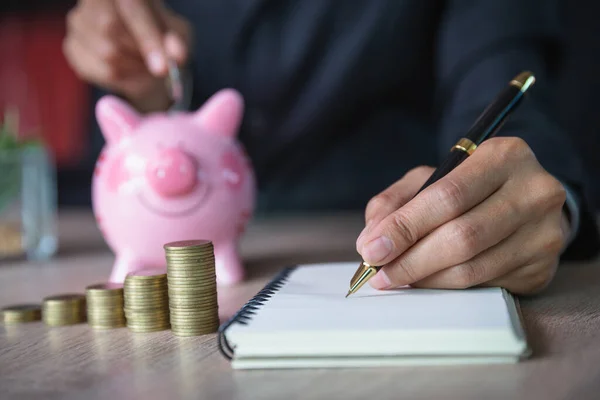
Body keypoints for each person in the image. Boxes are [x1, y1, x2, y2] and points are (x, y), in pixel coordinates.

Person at [62, 0, 600, 295]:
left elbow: (505, 91)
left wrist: (536, 204)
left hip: (400, 227)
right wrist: (145, 81)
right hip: (176, 247)